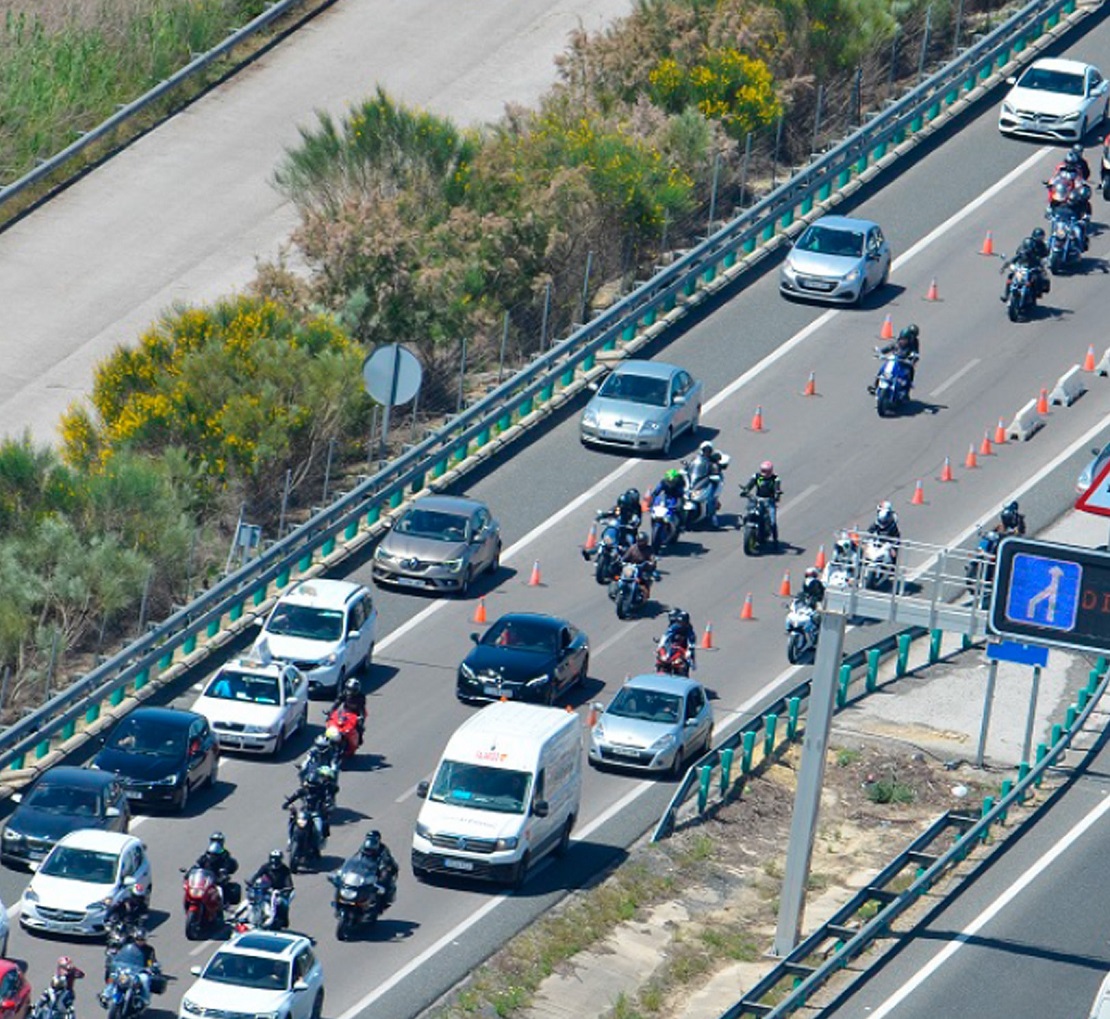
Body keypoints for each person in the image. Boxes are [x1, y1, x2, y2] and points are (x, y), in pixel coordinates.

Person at [248, 849, 294, 928]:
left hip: (280, 891)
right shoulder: (266, 866)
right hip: (266, 889)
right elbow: (257, 875)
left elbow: (288, 882)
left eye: (276, 859)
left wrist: (286, 889)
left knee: (281, 903)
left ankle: (283, 920)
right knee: (252, 899)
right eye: (272, 858)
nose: (274, 861)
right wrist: (251, 882)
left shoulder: (284, 869)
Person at [740, 461, 783, 546]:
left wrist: (777, 494)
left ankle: (775, 541)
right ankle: (749, 530)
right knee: (749, 514)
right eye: (763, 470)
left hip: (769, 501)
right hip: (758, 499)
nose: (764, 473)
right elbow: (750, 484)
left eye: (766, 471)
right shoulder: (756, 476)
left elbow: (777, 488)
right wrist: (746, 490)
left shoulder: (775, 478)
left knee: (773, 522)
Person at [283, 771, 332, 840]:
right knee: (293, 820)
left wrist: (327, 806)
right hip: (304, 812)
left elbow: (328, 799)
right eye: (309, 786)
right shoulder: (303, 791)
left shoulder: (321, 793)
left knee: (319, 829)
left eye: (313, 786)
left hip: (316, 814)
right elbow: (295, 796)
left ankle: (318, 843)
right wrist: (288, 803)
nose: (311, 788)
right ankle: (290, 838)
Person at [871, 323, 920, 391]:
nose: (903, 341)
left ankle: (909, 384)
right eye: (902, 339)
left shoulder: (914, 343)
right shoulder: (898, 341)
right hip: (895, 359)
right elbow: (890, 347)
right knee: (883, 368)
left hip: (905, 360)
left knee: (910, 369)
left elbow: (916, 353)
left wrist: (913, 359)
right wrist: (881, 352)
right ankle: (875, 386)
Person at [357, 829, 398, 910]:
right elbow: (357, 857)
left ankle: (382, 900)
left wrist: (384, 867)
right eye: (369, 837)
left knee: (384, 879)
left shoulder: (383, 849)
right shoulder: (363, 847)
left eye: (373, 838)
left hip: (378, 870)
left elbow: (386, 860)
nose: (371, 840)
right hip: (367, 868)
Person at [686, 441, 725, 526]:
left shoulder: (712, 461)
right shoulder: (696, 459)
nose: (706, 452)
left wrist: (715, 473)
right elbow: (690, 467)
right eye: (705, 450)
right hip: (696, 481)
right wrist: (686, 469)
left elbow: (716, 469)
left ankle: (713, 517)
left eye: (708, 450)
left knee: (711, 497)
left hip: (707, 481)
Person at [1002, 234, 1049, 301]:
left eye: (1028, 248)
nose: (1026, 250)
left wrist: (1039, 267)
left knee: (1036, 278)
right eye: (1025, 248)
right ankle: (1006, 295)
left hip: (1031, 270)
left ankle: (1036, 293)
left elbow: (1041, 261)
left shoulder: (1036, 255)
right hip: (1022, 269)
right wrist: (1007, 265)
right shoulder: (1021, 253)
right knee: (1010, 276)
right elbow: (1014, 259)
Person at [195, 831, 239, 901]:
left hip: (218, 880)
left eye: (218, 841)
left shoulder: (225, 855)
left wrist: (225, 871)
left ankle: (221, 904)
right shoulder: (207, 854)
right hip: (205, 880)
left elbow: (231, 864)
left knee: (222, 889)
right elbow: (199, 863)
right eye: (213, 840)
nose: (216, 843)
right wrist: (191, 872)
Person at [619, 532, 658, 601]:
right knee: (621, 575)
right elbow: (626, 557)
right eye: (639, 541)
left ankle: (644, 595)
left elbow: (652, 558)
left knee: (646, 579)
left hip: (643, 569)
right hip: (632, 568)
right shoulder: (633, 548)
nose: (640, 543)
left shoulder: (649, 549)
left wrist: (651, 563)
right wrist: (622, 561)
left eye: (642, 541)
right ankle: (620, 589)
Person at [329, 676, 367, 746]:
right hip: (345, 712)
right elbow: (338, 702)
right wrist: (331, 711)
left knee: (359, 727)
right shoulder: (345, 693)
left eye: (352, 690)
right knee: (335, 723)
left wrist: (361, 717)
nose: (350, 691)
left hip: (356, 713)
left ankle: (359, 739)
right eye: (349, 689)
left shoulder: (361, 697)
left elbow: (362, 708)